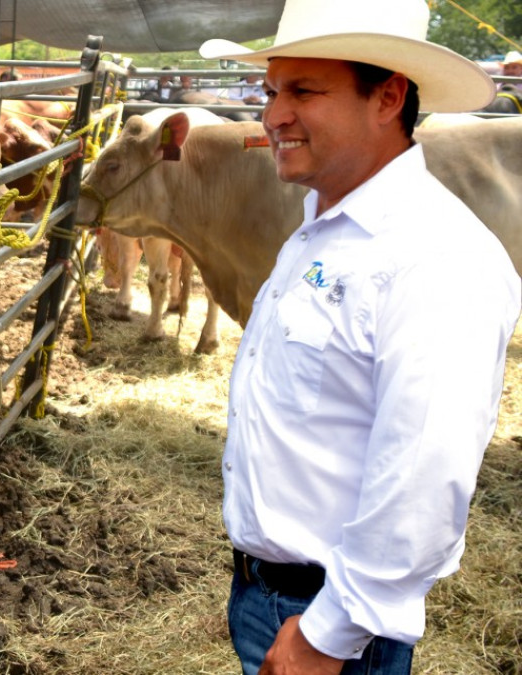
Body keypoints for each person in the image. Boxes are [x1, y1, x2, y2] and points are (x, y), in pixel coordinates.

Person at [198, 0, 520, 672]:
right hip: (269, 594)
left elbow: (423, 478)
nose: (273, 114)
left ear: (388, 96)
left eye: (304, 91)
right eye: (271, 90)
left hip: (334, 626)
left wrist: (327, 632)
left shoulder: (437, 255)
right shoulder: (321, 226)